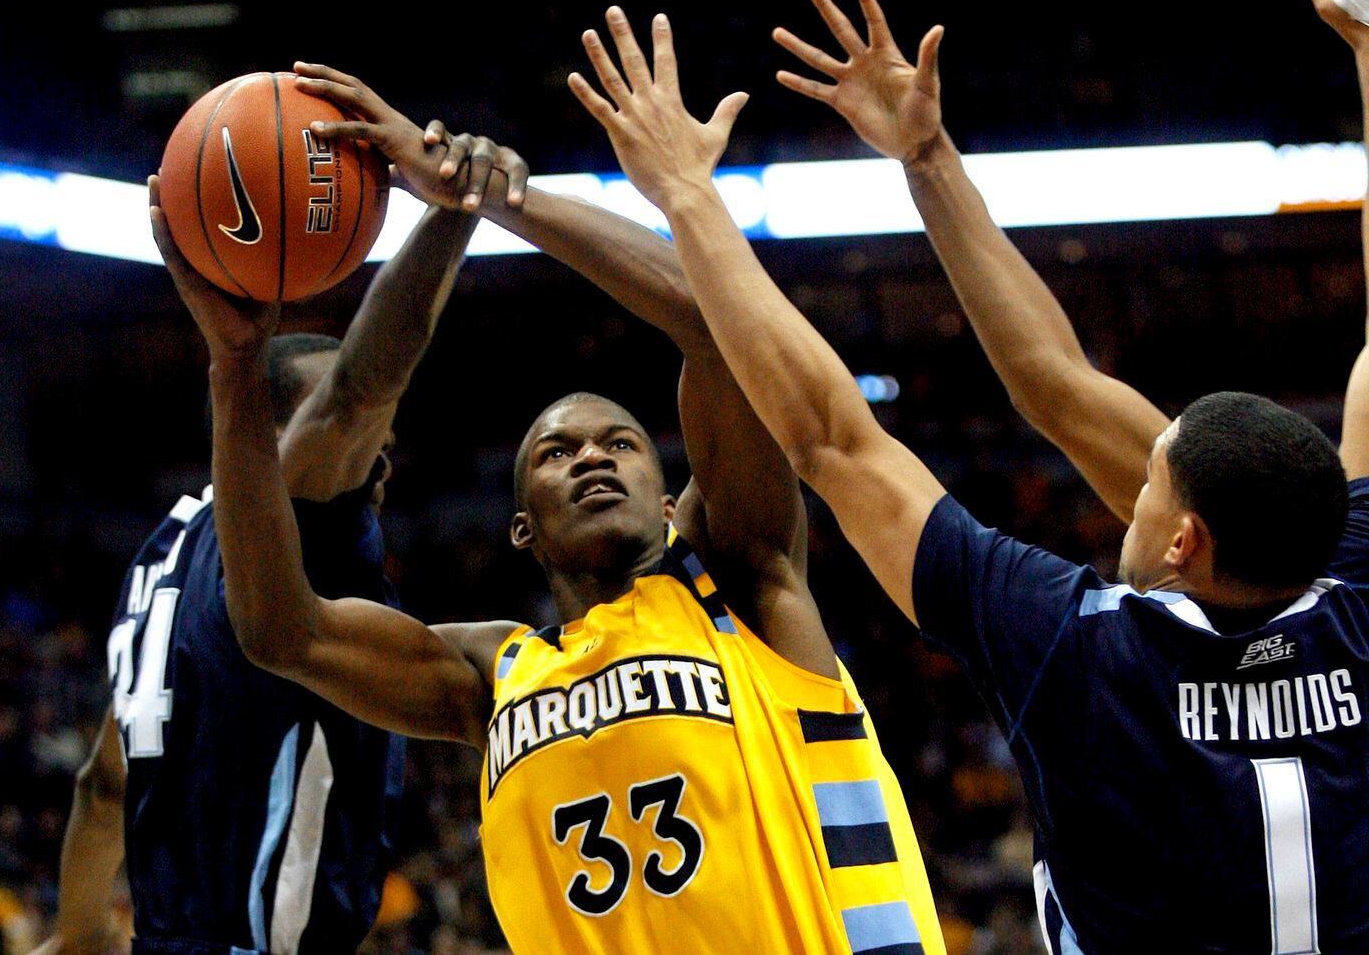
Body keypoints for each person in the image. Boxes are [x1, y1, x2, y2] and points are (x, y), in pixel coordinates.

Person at [567, 0, 1369, 953]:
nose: (1129, 483)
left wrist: (688, 196)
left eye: (1148, 480)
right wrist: (925, 157)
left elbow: (834, 435)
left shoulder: (1076, 650)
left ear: (1182, 541)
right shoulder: (1353, 584)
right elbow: (1051, 384)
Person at [168, 60, 950, 954]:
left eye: (621, 444)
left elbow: (716, 323)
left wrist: (492, 196)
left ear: (671, 502)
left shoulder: (742, 587)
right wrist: (234, 369)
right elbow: (279, 629)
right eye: (557, 452)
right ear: (523, 528)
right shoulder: (493, 675)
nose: (593, 458)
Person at [38, 125, 528, 955]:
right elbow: (358, 388)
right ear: (265, 439)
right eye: (365, 442)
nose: (380, 457)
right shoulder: (289, 526)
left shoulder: (160, 560)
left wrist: (78, 933)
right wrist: (453, 213)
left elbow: (102, 784)